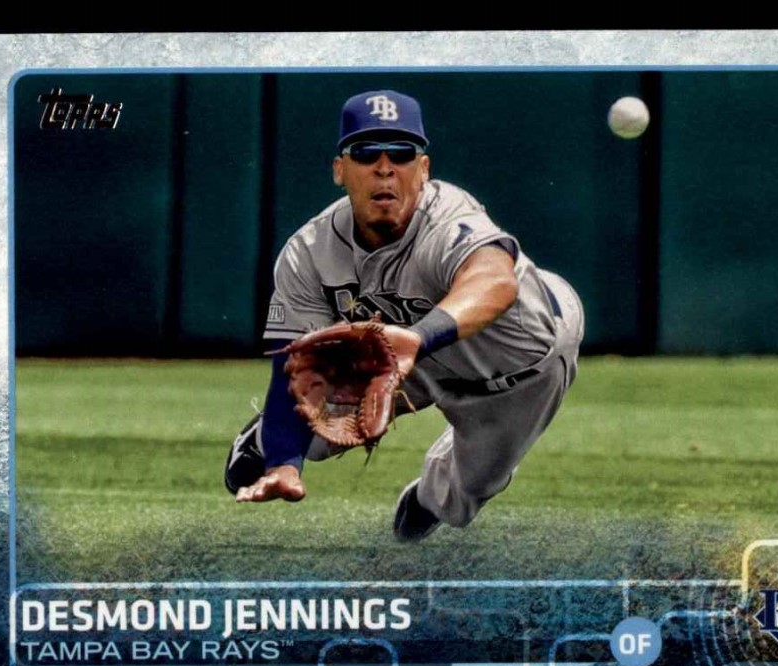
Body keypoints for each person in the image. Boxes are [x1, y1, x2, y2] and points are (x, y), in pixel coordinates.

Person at [225, 89, 584, 542]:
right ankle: (264, 438)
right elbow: (292, 367)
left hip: (521, 367)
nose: (384, 167)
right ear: (339, 169)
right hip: (408, 355)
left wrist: (418, 338)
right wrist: (283, 462)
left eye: (401, 152)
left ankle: (429, 498)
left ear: (424, 169)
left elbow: (495, 282)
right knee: (312, 423)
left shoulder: (448, 217)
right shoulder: (309, 252)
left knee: (463, 496)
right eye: (365, 152)